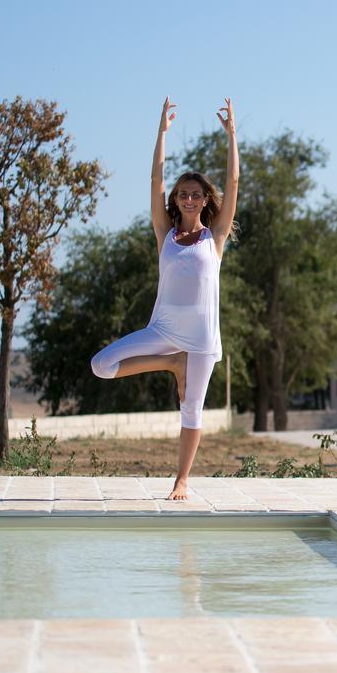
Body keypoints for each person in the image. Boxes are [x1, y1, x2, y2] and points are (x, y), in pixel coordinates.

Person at [90, 96, 239, 500]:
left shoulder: (216, 238)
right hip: (165, 329)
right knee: (102, 365)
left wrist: (232, 136)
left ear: (205, 199)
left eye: (195, 194)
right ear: (175, 200)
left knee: (191, 411)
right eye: (182, 194)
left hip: (203, 340)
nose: (188, 199)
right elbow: (154, 181)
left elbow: (234, 183)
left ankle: (182, 480)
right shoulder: (165, 234)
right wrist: (161, 133)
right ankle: (171, 363)